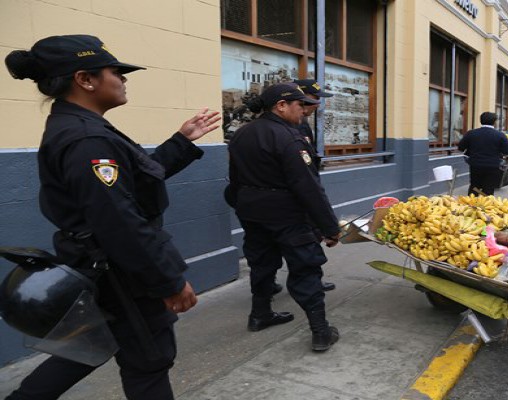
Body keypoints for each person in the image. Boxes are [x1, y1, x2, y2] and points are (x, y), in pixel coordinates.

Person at [3, 34, 220, 399]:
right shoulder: (86, 138)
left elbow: (133, 184)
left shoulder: (83, 128)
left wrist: (182, 141)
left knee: (84, 349)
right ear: (85, 79)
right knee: (148, 362)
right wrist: (168, 280)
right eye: (115, 72)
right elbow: (120, 221)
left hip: (103, 269)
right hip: (120, 276)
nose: (122, 79)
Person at [227, 82, 341, 352]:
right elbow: (308, 186)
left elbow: (234, 180)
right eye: (299, 105)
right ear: (281, 105)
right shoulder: (289, 138)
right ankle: (321, 331)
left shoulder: (242, 134)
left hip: (252, 213)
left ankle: (260, 314)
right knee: (305, 268)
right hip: (287, 215)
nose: (304, 110)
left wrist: (245, 203)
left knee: (261, 264)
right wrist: (329, 226)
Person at [457, 112, 508, 195]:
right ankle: (486, 202)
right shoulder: (500, 135)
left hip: (475, 165)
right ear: (494, 122)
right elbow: (507, 151)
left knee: (474, 186)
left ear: (481, 121)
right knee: (489, 188)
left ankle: (471, 202)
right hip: (492, 166)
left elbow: (461, 148)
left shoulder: (471, 133)